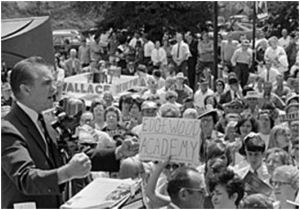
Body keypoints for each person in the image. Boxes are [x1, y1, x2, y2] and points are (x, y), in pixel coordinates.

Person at [1, 57, 106, 209]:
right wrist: (67, 173)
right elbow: (25, 178)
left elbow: (74, 155)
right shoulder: (8, 128)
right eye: (46, 83)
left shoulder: (46, 119)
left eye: (53, 82)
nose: (54, 89)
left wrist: (117, 154)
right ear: (26, 89)